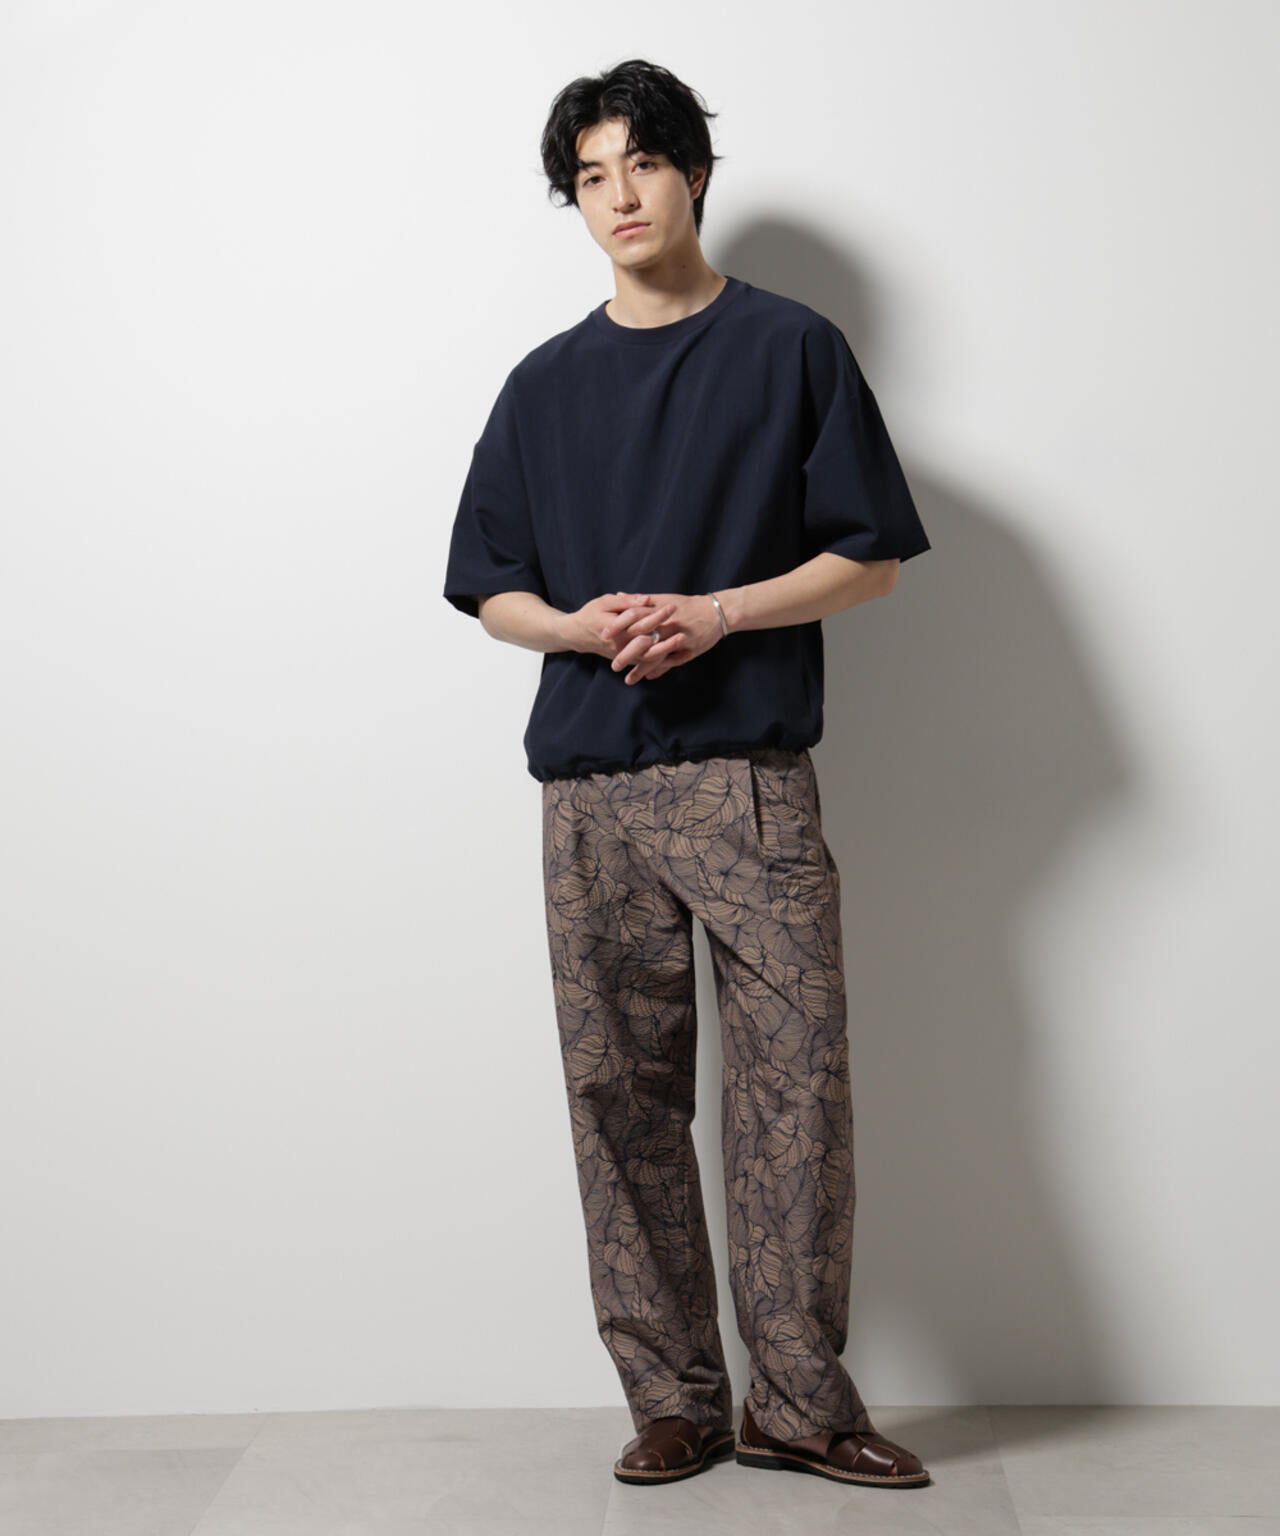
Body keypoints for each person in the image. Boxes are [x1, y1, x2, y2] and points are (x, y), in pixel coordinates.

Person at [443, 58, 933, 1491]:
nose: (619, 197)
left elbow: (871, 561)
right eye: (591, 177)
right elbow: (490, 589)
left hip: (747, 783)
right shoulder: (541, 385)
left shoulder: (791, 349)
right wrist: (580, 626)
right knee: (622, 1103)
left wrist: (718, 613)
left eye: (641, 165)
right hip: (590, 794)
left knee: (797, 1090)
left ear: (694, 173)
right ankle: (673, 1398)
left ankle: (799, 1401)